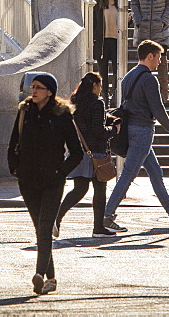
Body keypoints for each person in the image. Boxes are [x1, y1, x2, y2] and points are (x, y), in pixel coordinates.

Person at [103, 40, 169, 232]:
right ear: (150, 56)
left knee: (156, 172)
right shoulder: (149, 79)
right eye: (158, 57)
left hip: (132, 129)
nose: (160, 62)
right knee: (128, 174)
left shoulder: (129, 76)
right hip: (143, 132)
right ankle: (107, 215)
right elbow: (157, 108)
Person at [7, 73, 83, 295]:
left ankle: (39, 274)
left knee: (45, 227)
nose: (34, 91)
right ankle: (51, 278)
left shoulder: (61, 114)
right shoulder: (25, 112)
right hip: (28, 180)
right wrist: (15, 168)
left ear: (50, 91)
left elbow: (77, 152)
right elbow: (13, 144)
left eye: (39, 88)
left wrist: (61, 172)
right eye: (32, 87)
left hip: (52, 180)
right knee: (40, 229)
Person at [54, 73, 119, 238]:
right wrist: (114, 130)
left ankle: (56, 217)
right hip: (96, 151)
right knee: (100, 189)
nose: (100, 89)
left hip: (81, 151)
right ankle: (98, 228)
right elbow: (98, 131)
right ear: (95, 86)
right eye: (100, 86)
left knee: (80, 189)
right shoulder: (97, 103)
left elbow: (86, 122)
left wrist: (107, 118)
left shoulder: (76, 102)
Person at [92, 0, 119, 102]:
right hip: (102, 41)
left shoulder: (121, 3)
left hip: (116, 41)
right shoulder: (98, 3)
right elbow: (93, 23)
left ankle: (115, 94)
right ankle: (105, 97)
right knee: (103, 72)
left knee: (116, 70)